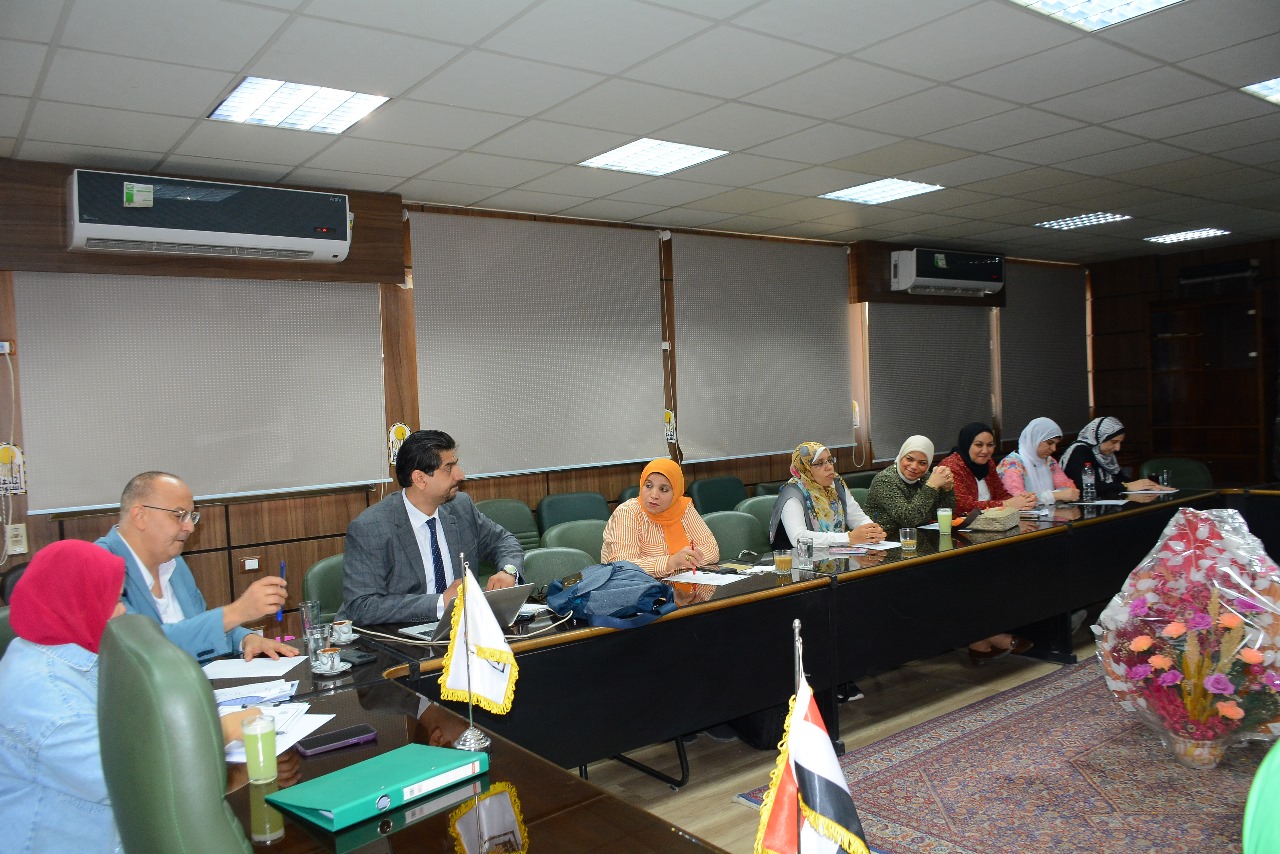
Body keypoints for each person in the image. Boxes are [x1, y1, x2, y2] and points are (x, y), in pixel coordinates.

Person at [0, 540, 263, 853]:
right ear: (76, 605)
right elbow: (140, 782)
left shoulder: (61, 650)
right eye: (112, 601)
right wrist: (221, 731)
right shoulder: (49, 702)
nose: (123, 609)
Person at [97, 471, 297, 662]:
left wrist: (245, 640)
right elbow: (141, 646)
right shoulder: (98, 565)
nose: (190, 527)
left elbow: (196, 625)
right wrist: (236, 612)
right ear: (140, 516)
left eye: (191, 517)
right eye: (179, 515)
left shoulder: (174, 562)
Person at [341, 430, 524, 626]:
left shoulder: (460, 507)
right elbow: (361, 606)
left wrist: (509, 571)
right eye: (449, 468)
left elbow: (504, 541)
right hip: (401, 634)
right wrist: (440, 603)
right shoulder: (370, 528)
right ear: (420, 479)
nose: (460, 475)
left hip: (462, 630)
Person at [601, 458, 719, 578]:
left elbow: (712, 550)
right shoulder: (628, 512)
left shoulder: (683, 509)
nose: (654, 495)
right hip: (637, 587)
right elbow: (622, 567)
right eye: (648, 486)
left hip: (682, 583)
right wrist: (671, 562)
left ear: (675, 492)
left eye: (664, 489)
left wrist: (683, 560)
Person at [768, 442, 885, 550]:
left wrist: (871, 532)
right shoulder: (793, 493)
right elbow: (799, 538)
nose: (829, 467)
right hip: (799, 560)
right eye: (819, 463)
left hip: (834, 556)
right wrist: (848, 538)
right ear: (805, 468)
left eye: (830, 460)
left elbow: (857, 518)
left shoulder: (836, 484)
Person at [938, 422, 1038, 515]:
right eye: (979, 445)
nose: (985, 451)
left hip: (991, 521)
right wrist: (1006, 504)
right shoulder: (951, 466)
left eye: (990, 445)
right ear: (966, 444)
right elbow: (962, 506)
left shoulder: (988, 463)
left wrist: (1024, 501)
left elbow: (1001, 494)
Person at [1059, 416, 1166, 498]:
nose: (1118, 448)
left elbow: (1120, 479)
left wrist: (1148, 486)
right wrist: (1126, 486)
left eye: (1120, 443)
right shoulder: (1079, 451)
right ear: (1100, 437)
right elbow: (1085, 487)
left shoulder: (1105, 454)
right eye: (1114, 442)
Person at [865, 435, 956, 532]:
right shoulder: (884, 480)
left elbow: (940, 514)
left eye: (922, 463)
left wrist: (947, 490)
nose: (914, 466)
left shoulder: (925, 477)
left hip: (918, 536)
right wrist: (931, 486)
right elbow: (908, 520)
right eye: (909, 459)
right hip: (884, 537)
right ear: (901, 456)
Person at [996, 417, 1080, 506]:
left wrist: (1063, 494)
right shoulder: (1010, 464)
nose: (1054, 449)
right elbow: (1018, 501)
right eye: (1049, 443)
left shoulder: (1049, 461)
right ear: (1034, 439)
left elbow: (1069, 489)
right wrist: (1053, 496)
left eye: (1056, 444)